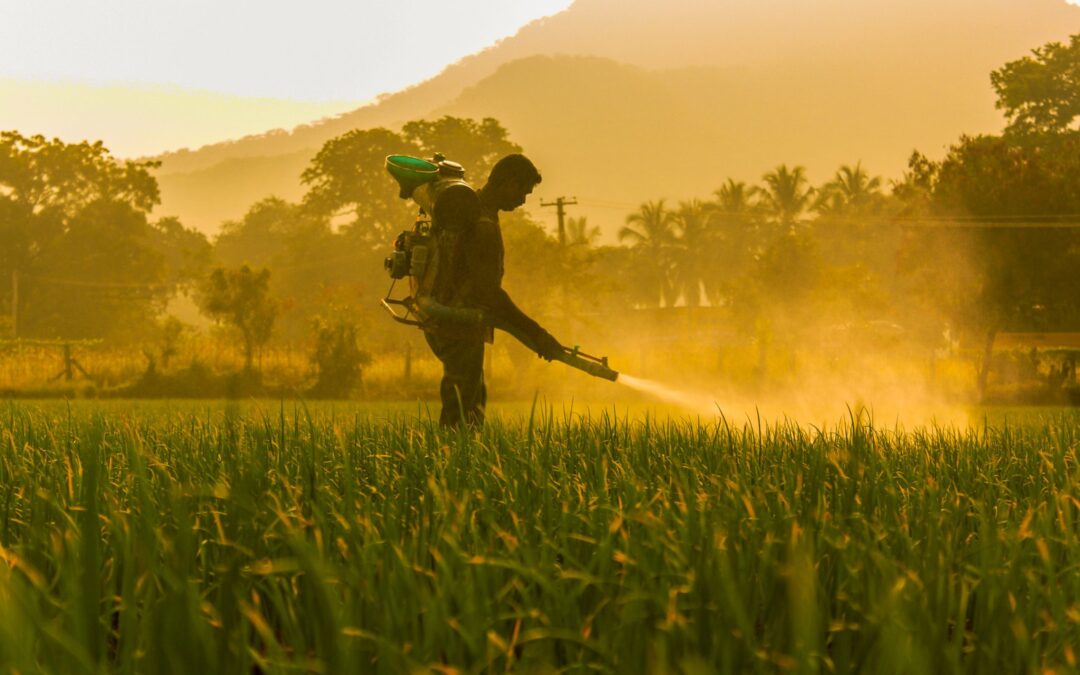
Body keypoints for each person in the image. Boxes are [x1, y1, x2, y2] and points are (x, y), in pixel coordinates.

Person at [424, 153, 563, 427]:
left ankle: (464, 462)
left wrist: (533, 335)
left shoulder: (470, 208)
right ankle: (443, 464)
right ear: (508, 183)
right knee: (460, 414)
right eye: (523, 191)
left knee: (473, 405)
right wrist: (538, 334)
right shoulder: (482, 225)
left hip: (443, 320)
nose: (522, 200)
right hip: (460, 325)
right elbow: (490, 295)